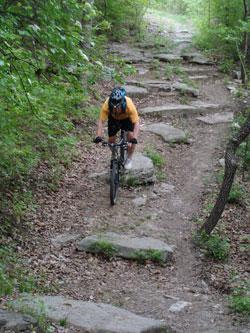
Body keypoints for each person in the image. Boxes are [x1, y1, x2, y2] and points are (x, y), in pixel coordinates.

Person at [93, 87, 140, 170]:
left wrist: (134, 138)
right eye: (113, 107)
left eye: (117, 107)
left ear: (121, 103)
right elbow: (101, 121)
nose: (116, 109)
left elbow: (136, 123)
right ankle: (114, 154)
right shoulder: (106, 105)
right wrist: (98, 136)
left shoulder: (129, 105)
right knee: (111, 140)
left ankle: (129, 158)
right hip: (113, 119)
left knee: (130, 136)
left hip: (127, 118)